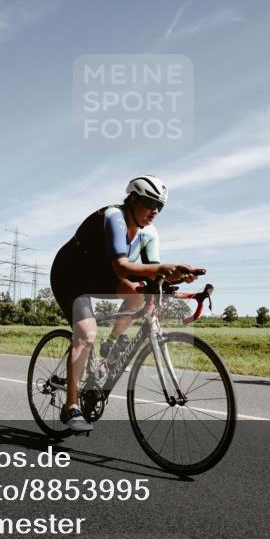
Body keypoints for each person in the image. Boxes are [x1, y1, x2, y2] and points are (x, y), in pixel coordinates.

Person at [49, 175, 203, 432]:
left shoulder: (150, 233)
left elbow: (153, 271)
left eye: (160, 207)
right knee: (86, 335)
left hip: (103, 275)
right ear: (131, 199)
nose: (155, 211)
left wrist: (175, 276)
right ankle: (71, 406)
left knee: (141, 293)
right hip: (71, 275)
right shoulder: (114, 217)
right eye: (149, 202)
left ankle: (109, 346)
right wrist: (165, 268)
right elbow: (121, 265)